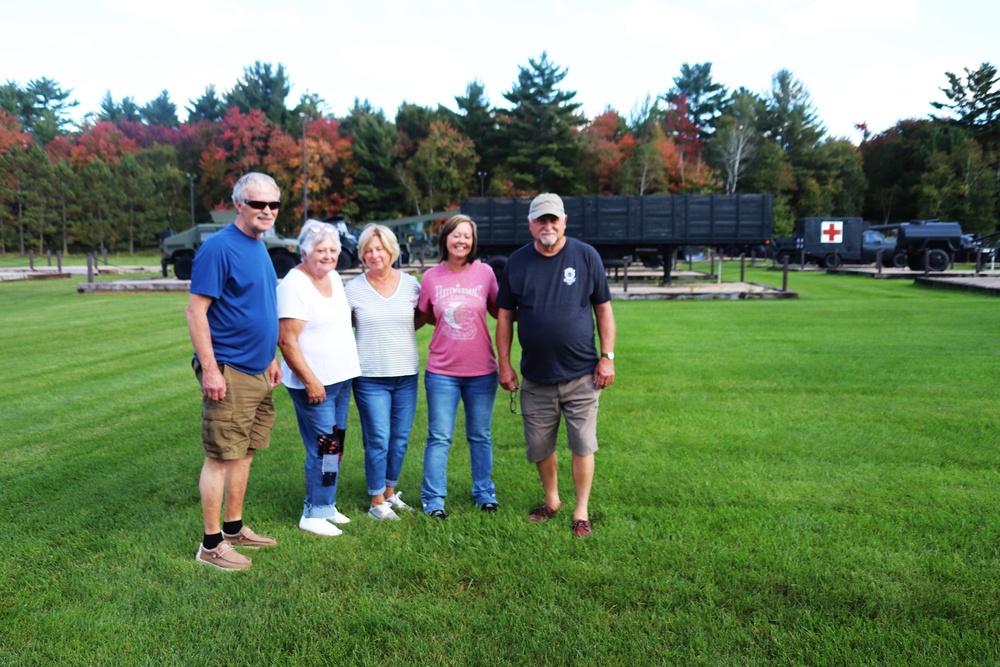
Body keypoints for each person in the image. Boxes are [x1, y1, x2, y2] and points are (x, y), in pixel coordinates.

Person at [496, 193, 616, 538]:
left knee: (582, 444)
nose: (547, 226)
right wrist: (505, 364)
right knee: (539, 446)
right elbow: (505, 317)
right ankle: (552, 500)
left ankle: (581, 510)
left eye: (553, 220)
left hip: (582, 374)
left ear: (564, 221)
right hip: (535, 376)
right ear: (530, 224)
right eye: (540, 220)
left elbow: (603, 309)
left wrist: (607, 357)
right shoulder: (517, 262)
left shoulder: (585, 255)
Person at [185, 172, 283, 570]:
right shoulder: (219, 248)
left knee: (244, 452)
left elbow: (258, 307)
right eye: (258, 203)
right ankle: (210, 546)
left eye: (273, 205)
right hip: (229, 370)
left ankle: (234, 528)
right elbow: (196, 311)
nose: (267, 211)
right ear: (238, 203)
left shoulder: (259, 246)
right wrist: (210, 369)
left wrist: (271, 357)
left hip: (259, 368)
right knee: (221, 456)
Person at [277, 220, 361, 537]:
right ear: (304, 252)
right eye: (320, 250)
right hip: (315, 386)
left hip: (340, 380)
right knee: (324, 447)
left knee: (335, 446)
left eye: (333, 250)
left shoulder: (334, 277)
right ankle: (313, 513)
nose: (327, 256)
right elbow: (286, 341)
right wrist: (311, 381)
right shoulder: (294, 285)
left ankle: (327, 504)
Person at [418, 215, 500, 519]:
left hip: (482, 371)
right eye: (455, 235)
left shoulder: (486, 274)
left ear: (473, 241)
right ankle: (433, 499)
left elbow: (499, 312)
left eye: (467, 236)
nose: (461, 241)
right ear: (445, 239)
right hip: (441, 372)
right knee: (439, 437)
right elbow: (423, 315)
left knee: (480, 435)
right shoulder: (430, 277)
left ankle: (484, 492)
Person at [345, 224, 420, 520]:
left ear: (392, 250)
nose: (375, 255)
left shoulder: (412, 285)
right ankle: (376, 500)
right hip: (369, 376)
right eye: (368, 250)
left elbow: (420, 317)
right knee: (377, 437)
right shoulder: (352, 289)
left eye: (380, 249)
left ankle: (390, 492)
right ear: (362, 254)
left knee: (400, 437)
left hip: (406, 375)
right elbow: (341, 326)